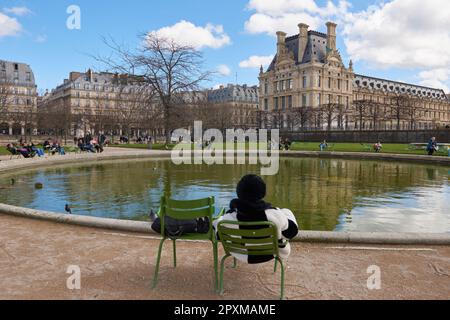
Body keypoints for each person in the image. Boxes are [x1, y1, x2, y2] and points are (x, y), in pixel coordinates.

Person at [213, 175, 299, 264]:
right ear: (262, 192)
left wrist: (219, 219)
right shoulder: (275, 215)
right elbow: (291, 232)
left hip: (240, 253)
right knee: (286, 212)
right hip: (270, 253)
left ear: (239, 192)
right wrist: (285, 213)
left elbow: (218, 235)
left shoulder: (228, 219)